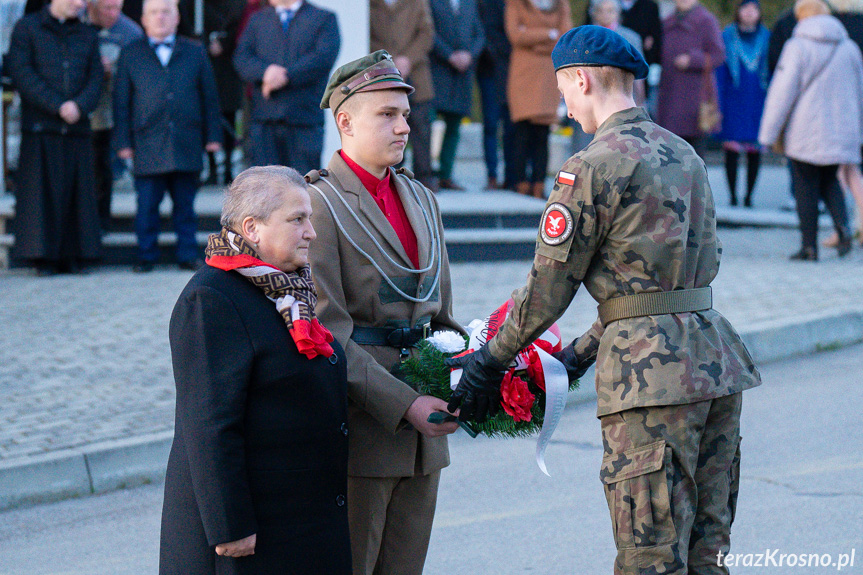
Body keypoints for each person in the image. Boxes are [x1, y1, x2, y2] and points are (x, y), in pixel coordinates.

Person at [446, 26, 762, 575]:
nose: (566, 109)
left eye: (564, 91)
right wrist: (581, 353)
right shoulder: (684, 153)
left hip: (648, 382)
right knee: (706, 557)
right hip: (715, 367)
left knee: (649, 561)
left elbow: (548, 290)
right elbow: (666, 284)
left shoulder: (592, 165)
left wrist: (489, 361)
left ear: (582, 79)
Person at [307, 51, 463, 575]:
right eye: (387, 114)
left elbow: (440, 313)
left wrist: (471, 374)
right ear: (345, 121)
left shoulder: (421, 197)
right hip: (367, 433)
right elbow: (328, 337)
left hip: (425, 436)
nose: (403, 127)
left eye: (405, 114)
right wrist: (406, 405)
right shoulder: (317, 207)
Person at [160, 165, 351, 575]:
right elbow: (209, 423)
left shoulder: (287, 289)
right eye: (297, 219)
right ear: (253, 228)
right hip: (252, 535)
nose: (311, 232)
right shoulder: (211, 299)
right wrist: (230, 526)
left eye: (310, 219)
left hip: (298, 519)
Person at [113, 0, 222, 272]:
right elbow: (121, 101)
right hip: (147, 143)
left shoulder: (195, 51)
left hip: (187, 141)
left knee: (185, 206)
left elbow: (209, 97)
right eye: (154, 13)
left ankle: (187, 255)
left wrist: (214, 136)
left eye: (166, 12)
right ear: (143, 19)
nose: (160, 18)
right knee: (147, 206)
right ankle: (145, 255)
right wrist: (123, 142)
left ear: (176, 18)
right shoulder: (130, 53)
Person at [759, 0, 863, 261]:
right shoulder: (849, 47)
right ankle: (843, 231)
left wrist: (767, 135)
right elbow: (859, 91)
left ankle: (809, 246)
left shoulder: (797, 46)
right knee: (831, 181)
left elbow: (781, 93)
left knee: (805, 186)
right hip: (841, 128)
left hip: (806, 129)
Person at [7, 0, 103, 275]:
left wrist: (80, 105)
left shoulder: (87, 34)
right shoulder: (27, 28)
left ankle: (76, 255)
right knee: (41, 198)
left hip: (77, 129)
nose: (80, 4)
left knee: (77, 196)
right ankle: (42, 257)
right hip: (41, 127)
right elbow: (22, 72)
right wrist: (57, 105)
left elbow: (96, 77)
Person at [233, 0, 340, 174]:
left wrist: (285, 76)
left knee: (304, 186)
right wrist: (265, 72)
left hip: (304, 120)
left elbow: (322, 58)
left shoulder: (323, 19)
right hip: (264, 120)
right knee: (266, 189)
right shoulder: (257, 19)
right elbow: (241, 57)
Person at [86, 0, 143, 233]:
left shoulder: (130, 32)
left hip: (108, 113)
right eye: (107, 8)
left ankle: (101, 221)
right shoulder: (78, 23)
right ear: (92, 6)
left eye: (118, 7)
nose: (114, 14)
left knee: (102, 168)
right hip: (78, 112)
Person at [505, 0, 571, 198]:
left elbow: (565, 36)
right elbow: (515, 35)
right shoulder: (516, 4)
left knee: (542, 133)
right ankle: (520, 183)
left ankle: (538, 184)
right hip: (523, 75)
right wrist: (549, 33)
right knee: (522, 131)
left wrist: (531, 38)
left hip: (548, 75)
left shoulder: (561, 4)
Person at [370, 0, 437, 191]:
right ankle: (390, 179)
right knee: (387, 126)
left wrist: (407, 59)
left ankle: (424, 179)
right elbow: (366, 34)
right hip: (382, 74)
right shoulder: (370, 4)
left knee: (421, 128)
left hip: (416, 74)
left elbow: (426, 33)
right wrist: (388, 60)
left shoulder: (418, 2)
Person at [716, 0, 769, 208]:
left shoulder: (767, 37)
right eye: (745, 8)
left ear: (759, 12)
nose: (749, 13)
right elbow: (719, 70)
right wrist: (718, 101)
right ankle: (732, 196)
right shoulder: (727, 36)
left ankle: (749, 197)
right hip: (732, 99)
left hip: (758, 98)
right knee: (731, 149)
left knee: (755, 149)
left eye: (753, 8)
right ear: (738, 11)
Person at [428, 0, 485, 190]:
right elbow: (429, 32)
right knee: (425, 125)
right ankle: (425, 174)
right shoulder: (432, 2)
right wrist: (449, 55)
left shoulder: (470, 4)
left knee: (454, 128)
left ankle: (446, 175)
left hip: (462, 76)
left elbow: (479, 35)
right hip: (437, 72)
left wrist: (469, 55)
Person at [657, 0, 724, 154]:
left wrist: (692, 60)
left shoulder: (707, 20)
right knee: (671, 155)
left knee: (695, 154)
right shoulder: (667, 21)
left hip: (696, 97)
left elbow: (718, 54)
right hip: (670, 95)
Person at [200, 0, 246, 186]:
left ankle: (227, 167)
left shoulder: (237, 4)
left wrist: (225, 43)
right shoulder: (198, 5)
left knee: (229, 117)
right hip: (206, 66)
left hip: (229, 71)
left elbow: (241, 27)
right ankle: (211, 167)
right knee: (206, 118)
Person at [477, 0, 516, 190]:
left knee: (512, 125)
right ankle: (492, 175)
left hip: (515, 70)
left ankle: (511, 176)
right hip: (491, 69)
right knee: (491, 124)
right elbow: (483, 31)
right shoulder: (486, 3)